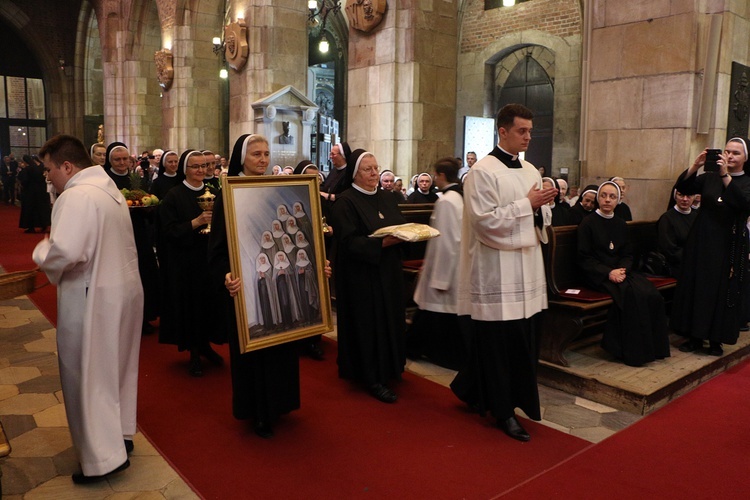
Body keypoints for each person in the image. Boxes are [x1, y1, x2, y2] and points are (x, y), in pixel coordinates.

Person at [33, 134, 141, 483]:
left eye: (50, 169)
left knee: (88, 375)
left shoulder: (77, 195)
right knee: (116, 371)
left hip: (92, 297)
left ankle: (101, 459)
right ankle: (120, 438)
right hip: (123, 290)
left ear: (68, 165)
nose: (48, 177)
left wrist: (41, 252)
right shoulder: (108, 188)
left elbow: (67, 252)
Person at [450, 103, 556, 442]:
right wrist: (528, 206)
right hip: (497, 273)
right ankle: (503, 410)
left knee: (518, 342)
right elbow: (486, 224)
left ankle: (474, 390)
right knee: (499, 346)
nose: (528, 136)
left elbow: (543, 218)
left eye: (530, 130)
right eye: (522, 131)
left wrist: (540, 211)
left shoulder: (529, 171)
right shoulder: (483, 171)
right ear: (503, 131)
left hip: (526, 270)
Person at [208, 134, 301, 438]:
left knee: (280, 340)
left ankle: (281, 402)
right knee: (255, 348)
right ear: (242, 158)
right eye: (256, 154)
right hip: (247, 283)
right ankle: (258, 410)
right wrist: (226, 276)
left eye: (266, 154)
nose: (262, 159)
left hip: (279, 274)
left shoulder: (278, 188)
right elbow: (218, 247)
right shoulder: (228, 193)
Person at [330, 149, 407, 403]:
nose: (374, 173)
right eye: (368, 169)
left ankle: (391, 367)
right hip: (361, 276)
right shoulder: (345, 201)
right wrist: (382, 244)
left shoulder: (388, 197)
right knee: (369, 325)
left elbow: (400, 226)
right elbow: (348, 242)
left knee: (390, 319)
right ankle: (371, 376)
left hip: (388, 272)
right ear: (355, 173)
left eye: (376, 168)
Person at [577, 181, 671, 367]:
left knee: (650, 293)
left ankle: (654, 348)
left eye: (612, 196)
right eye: (603, 195)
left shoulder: (620, 223)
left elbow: (628, 253)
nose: (607, 200)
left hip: (620, 272)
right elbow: (584, 258)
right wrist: (608, 272)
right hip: (596, 275)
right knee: (631, 296)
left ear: (619, 200)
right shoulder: (587, 223)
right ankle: (627, 351)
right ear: (598, 198)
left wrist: (622, 270)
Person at [671, 138, 750, 356]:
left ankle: (716, 339)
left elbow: (743, 204)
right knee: (697, 286)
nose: (730, 156)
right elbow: (684, 187)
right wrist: (695, 166)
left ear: (746, 158)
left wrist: (725, 175)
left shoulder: (746, 182)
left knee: (721, 289)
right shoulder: (709, 178)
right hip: (702, 239)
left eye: (735, 153)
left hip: (729, 243)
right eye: (727, 151)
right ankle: (694, 336)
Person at [158, 149, 223, 376]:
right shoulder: (174, 196)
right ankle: (194, 352)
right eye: (195, 166)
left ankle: (206, 345)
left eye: (204, 166)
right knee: (191, 308)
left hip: (209, 260)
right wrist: (196, 222)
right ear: (185, 169)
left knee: (209, 306)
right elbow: (168, 232)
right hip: (185, 263)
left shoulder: (214, 192)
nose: (201, 170)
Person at [406, 157, 466, 370]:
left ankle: (421, 349)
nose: (433, 178)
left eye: (435, 174)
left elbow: (447, 240)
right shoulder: (458, 197)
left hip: (446, 266)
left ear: (441, 175)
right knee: (435, 313)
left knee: (433, 312)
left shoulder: (447, 201)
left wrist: (439, 276)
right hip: (452, 265)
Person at [657, 190, 697, 278]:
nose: (685, 199)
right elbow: (669, 250)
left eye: (689, 195)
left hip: (695, 260)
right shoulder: (667, 219)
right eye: (681, 195)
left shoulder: (696, 217)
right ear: (675, 196)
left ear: (694, 197)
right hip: (676, 264)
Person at [17, 155, 51, 233]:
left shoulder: (27, 169)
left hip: (30, 193)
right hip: (41, 192)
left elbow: (24, 181)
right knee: (41, 208)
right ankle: (44, 224)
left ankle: (31, 227)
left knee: (30, 209)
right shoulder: (40, 168)